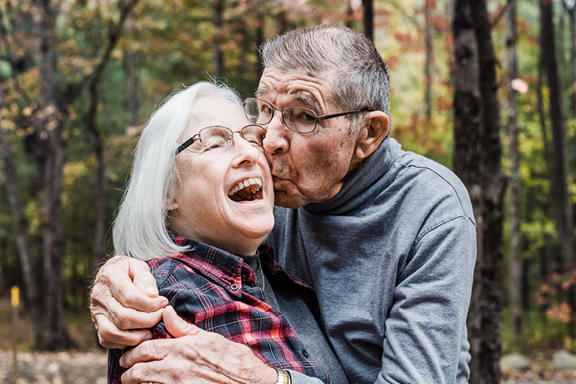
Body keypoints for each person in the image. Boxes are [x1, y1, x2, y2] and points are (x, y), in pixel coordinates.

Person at [91, 25, 476, 384]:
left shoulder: (431, 209)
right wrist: (125, 273)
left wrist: (264, 380)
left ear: (368, 134)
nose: (268, 139)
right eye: (264, 109)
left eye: (304, 116)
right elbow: (186, 227)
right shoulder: (270, 191)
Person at [105, 81, 347, 384]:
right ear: (166, 191)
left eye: (252, 138)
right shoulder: (165, 301)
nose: (250, 153)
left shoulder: (282, 276)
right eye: (215, 143)